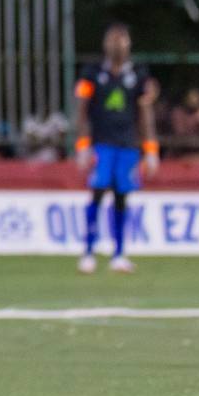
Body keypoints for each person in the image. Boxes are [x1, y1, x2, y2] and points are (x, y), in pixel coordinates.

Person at [75, 22, 159, 274]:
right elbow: (81, 110)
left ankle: (119, 254)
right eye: (113, 40)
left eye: (122, 40)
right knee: (98, 192)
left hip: (128, 145)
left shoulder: (138, 77)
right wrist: (82, 144)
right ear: (105, 44)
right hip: (102, 144)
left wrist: (151, 149)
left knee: (122, 197)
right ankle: (88, 251)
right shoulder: (91, 74)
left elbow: (145, 114)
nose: (118, 45)